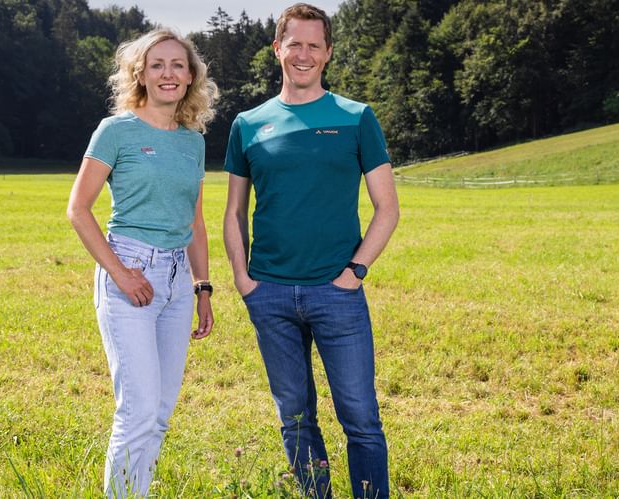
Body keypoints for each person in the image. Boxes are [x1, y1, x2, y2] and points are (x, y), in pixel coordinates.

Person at [223, 3, 400, 498]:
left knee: (360, 418)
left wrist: (355, 272)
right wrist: (244, 279)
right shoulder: (248, 124)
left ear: (327, 54)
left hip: (336, 293)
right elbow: (235, 212)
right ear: (277, 48)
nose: (303, 54)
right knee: (295, 418)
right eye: (293, 43)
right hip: (270, 294)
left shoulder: (356, 118)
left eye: (313, 45)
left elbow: (387, 208)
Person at [67, 29, 218, 498]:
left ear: (191, 76)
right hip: (131, 269)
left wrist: (203, 287)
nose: (168, 73)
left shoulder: (193, 142)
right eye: (157, 65)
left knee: (159, 413)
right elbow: (78, 208)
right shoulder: (117, 131)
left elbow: (194, 221)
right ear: (140, 74)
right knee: (137, 409)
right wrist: (120, 272)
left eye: (178, 65)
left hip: (176, 284)